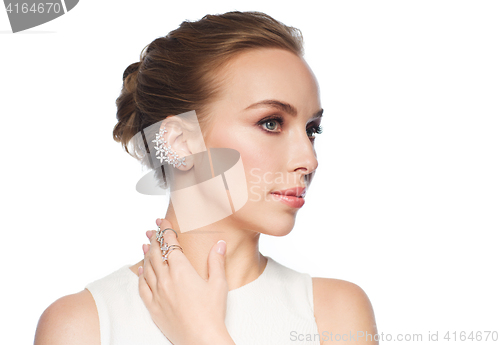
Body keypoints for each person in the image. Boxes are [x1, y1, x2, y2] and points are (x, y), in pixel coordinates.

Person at [34, 11, 378, 345]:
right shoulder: (82, 325)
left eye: (311, 129)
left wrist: (203, 337)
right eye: (271, 123)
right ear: (179, 142)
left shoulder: (334, 314)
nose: (309, 159)